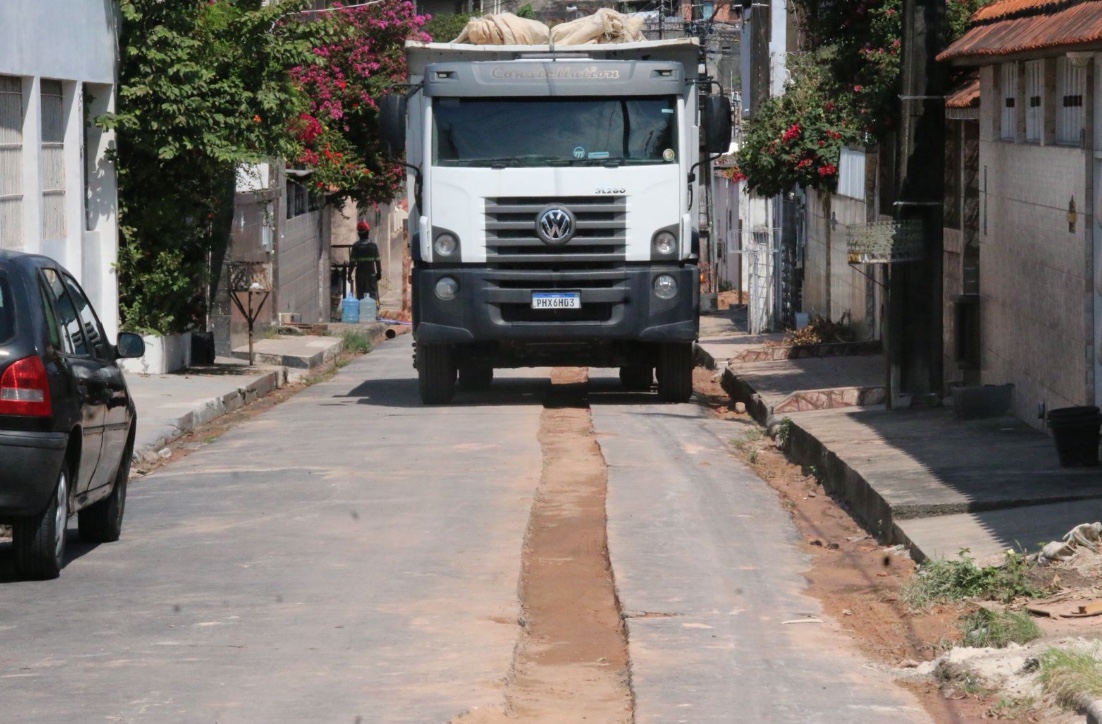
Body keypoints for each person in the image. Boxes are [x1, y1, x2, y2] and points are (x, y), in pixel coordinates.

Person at [350, 220, 381, 301]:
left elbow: (352, 262)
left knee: (360, 295)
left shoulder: (356, 246)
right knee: (372, 294)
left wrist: (349, 274)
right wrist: (379, 273)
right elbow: (377, 261)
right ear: (368, 232)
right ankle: (373, 311)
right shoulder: (373, 245)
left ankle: (361, 311)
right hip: (371, 275)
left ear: (358, 234)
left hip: (360, 275)